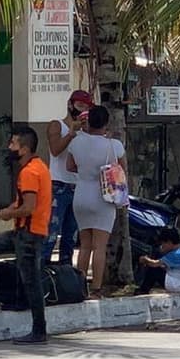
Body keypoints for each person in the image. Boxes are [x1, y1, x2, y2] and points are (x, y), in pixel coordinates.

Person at [0, 127, 53, 344]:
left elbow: (29, 207)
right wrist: (12, 208)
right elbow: (25, 203)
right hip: (25, 232)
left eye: (13, 144)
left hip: (29, 233)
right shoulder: (38, 167)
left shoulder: (29, 172)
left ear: (24, 149)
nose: (10, 148)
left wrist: (9, 213)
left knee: (31, 280)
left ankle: (39, 330)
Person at [67, 105, 127, 298]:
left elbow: (70, 166)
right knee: (99, 246)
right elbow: (122, 171)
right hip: (104, 196)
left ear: (88, 121)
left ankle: (79, 285)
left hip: (81, 194)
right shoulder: (114, 145)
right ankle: (96, 289)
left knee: (84, 246)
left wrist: (87, 171)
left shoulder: (76, 143)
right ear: (106, 123)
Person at [43, 90, 92, 265]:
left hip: (78, 186)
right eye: (80, 106)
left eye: (86, 107)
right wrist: (71, 133)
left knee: (71, 235)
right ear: (70, 105)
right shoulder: (57, 125)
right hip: (58, 184)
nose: (82, 110)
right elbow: (55, 150)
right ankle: (43, 269)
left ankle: (65, 270)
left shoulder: (86, 131)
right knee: (51, 232)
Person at [137, 227, 180, 294]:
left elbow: (154, 264)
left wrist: (145, 259)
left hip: (176, 285)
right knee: (158, 267)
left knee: (154, 270)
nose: (162, 246)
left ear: (169, 242)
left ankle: (143, 290)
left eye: (163, 243)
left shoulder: (175, 254)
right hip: (179, 283)